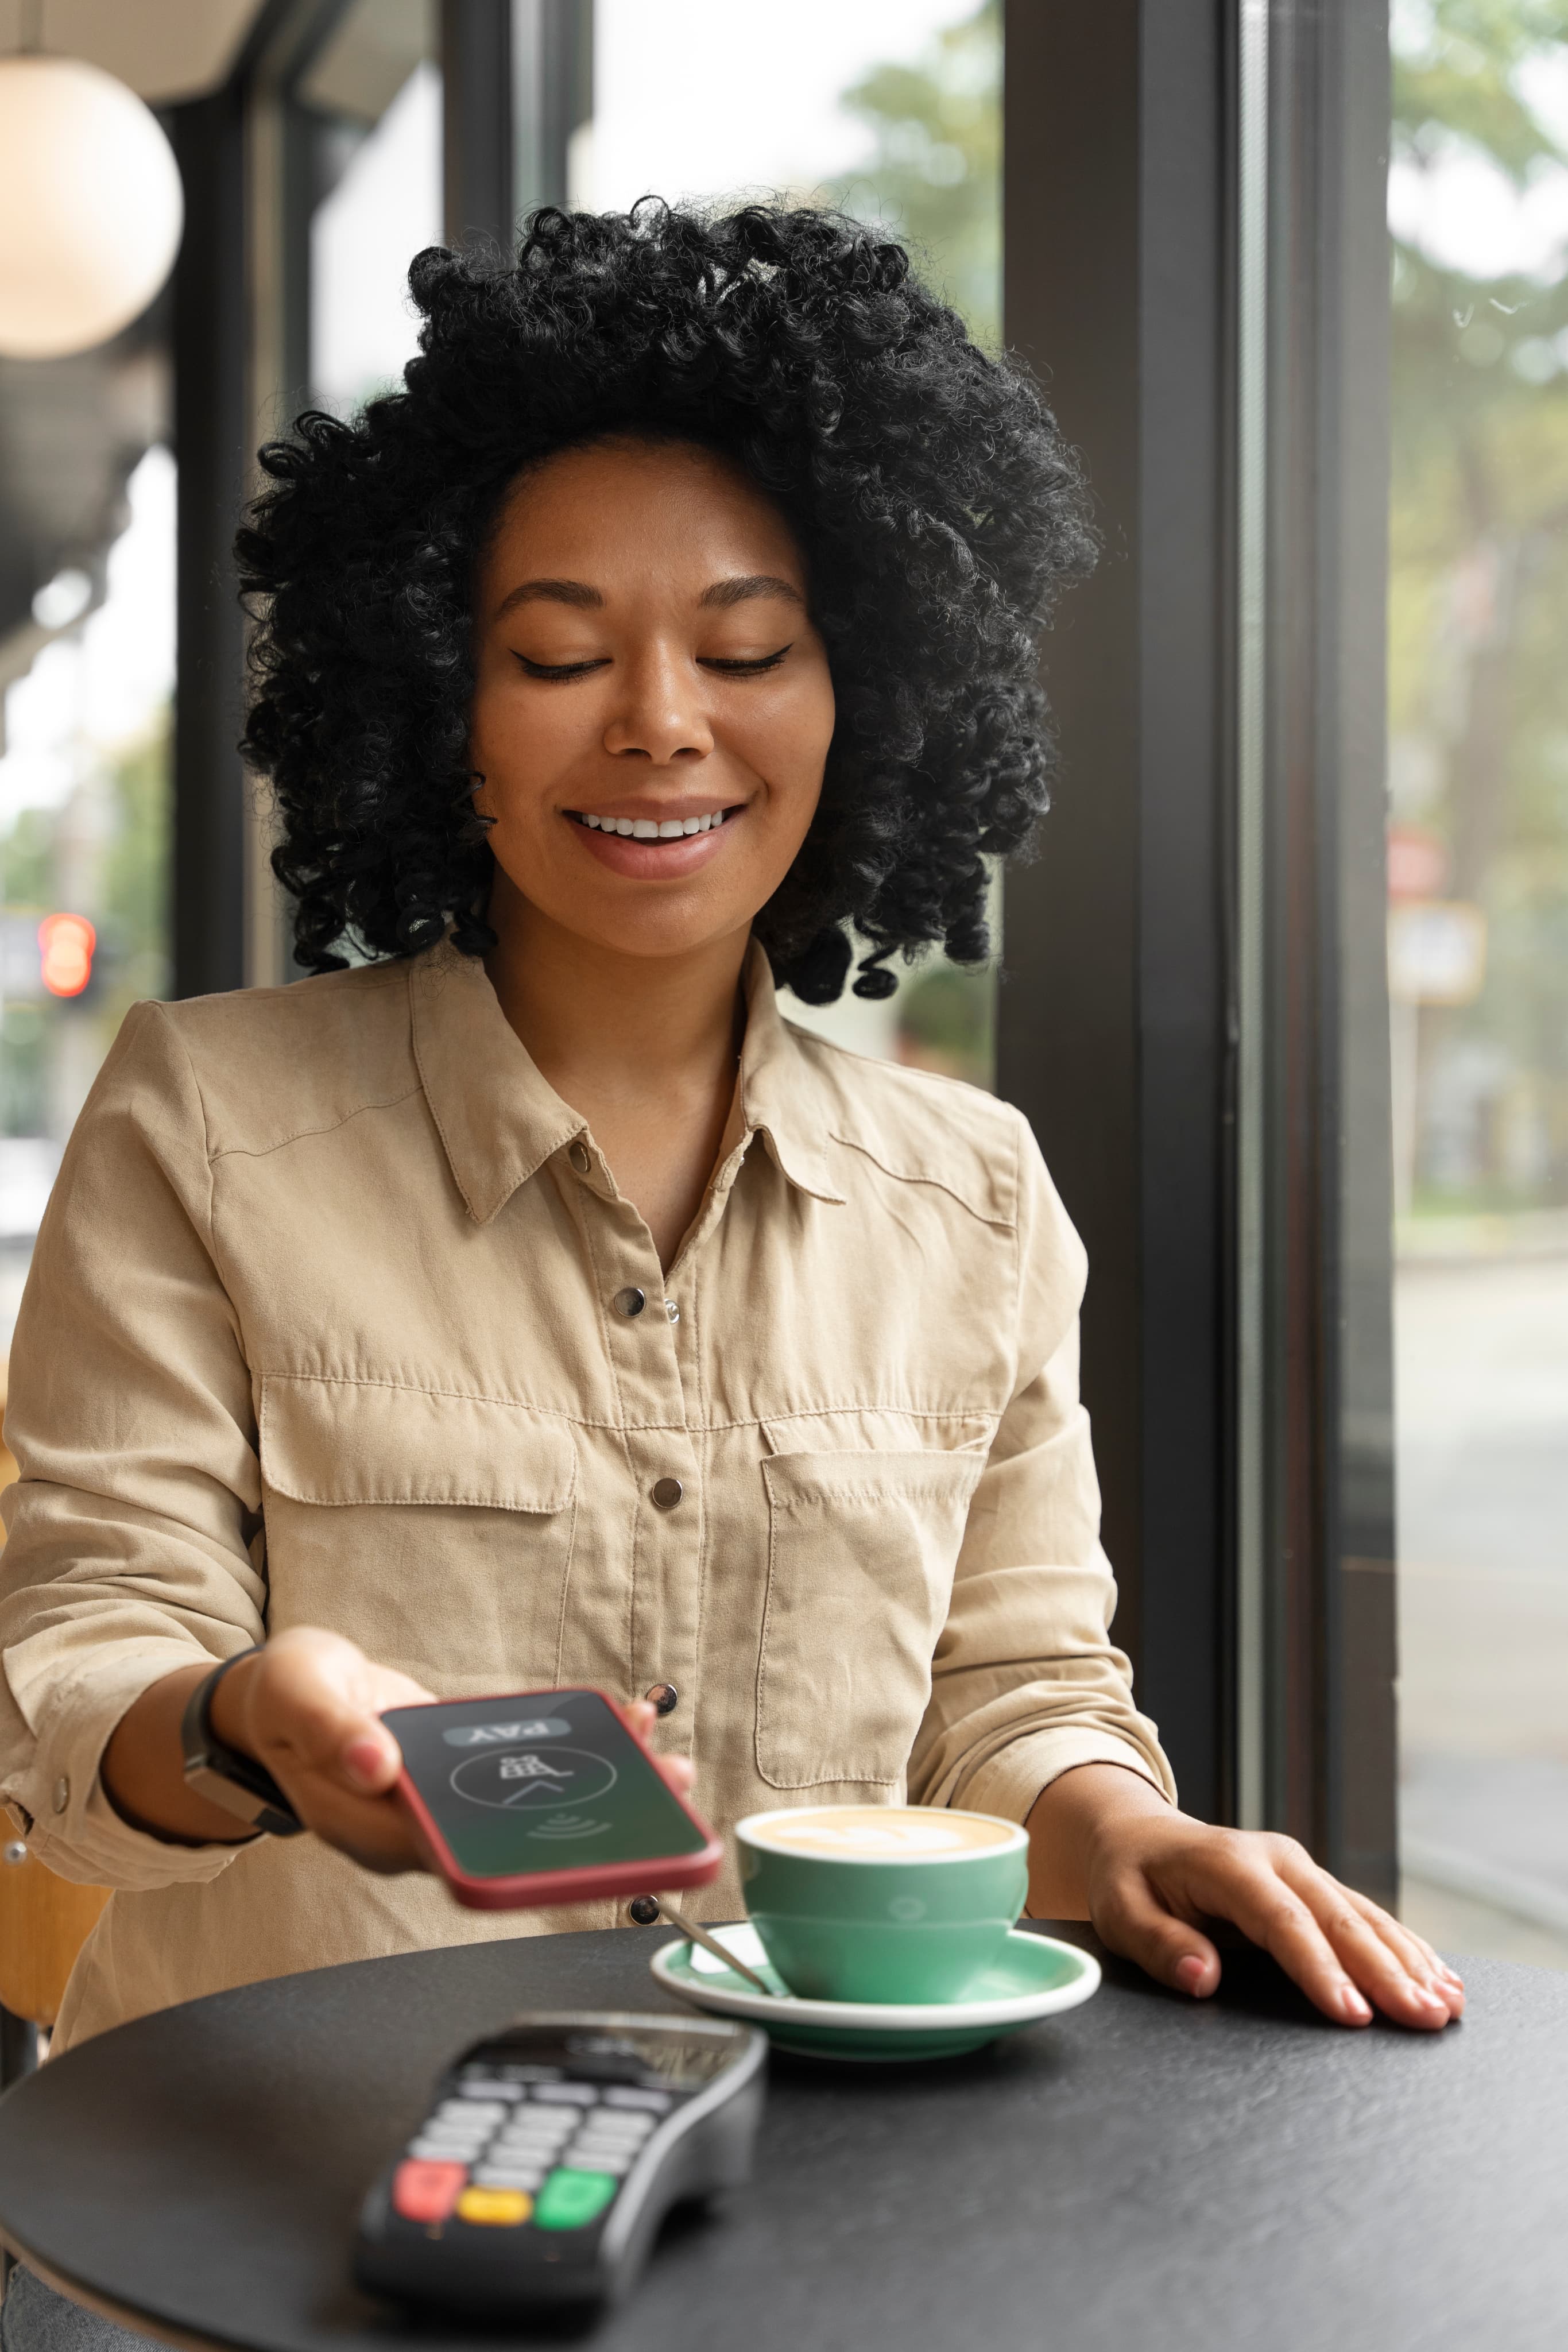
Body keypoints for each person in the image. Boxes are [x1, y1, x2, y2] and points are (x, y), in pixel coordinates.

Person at [0, 204, 1461, 2076]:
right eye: (554, 656)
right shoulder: (207, 1116)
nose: (662, 725)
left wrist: (1131, 1835)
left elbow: (1007, 1700)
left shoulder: (976, 1195)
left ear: (865, 701)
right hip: (261, 2179)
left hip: (807, 2186)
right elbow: (87, 1658)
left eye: (748, 647)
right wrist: (236, 1726)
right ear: (443, 715)